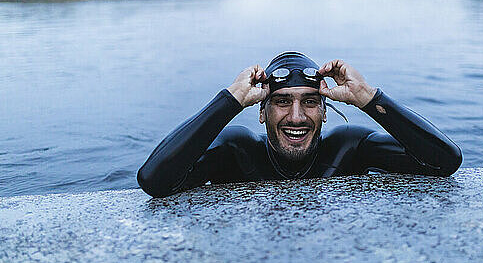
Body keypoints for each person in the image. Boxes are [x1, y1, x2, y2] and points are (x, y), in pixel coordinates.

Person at [137, 51, 462, 198]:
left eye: (309, 102)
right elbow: (154, 181)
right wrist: (229, 100)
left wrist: (367, 97)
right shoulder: (237, 151)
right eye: (281, 102)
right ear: (262, 111)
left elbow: (445, 161)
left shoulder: (349, 147)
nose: (296, 116)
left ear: (324, 112)